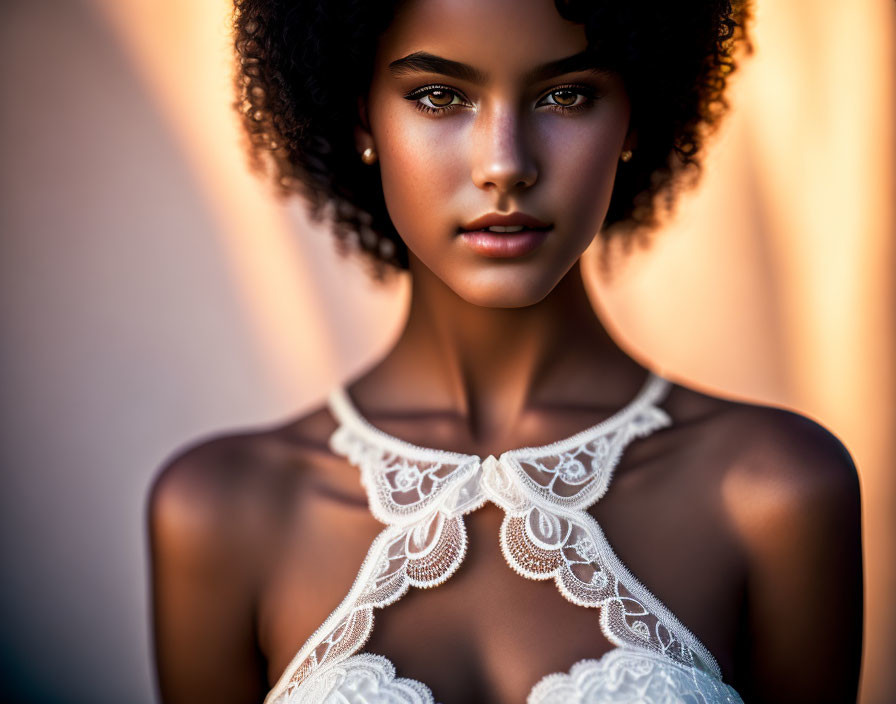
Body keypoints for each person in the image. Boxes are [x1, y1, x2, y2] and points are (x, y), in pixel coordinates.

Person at [148, 1, 864, 702]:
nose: (505, 164)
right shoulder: (218, 512)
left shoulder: (778, 494)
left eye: (566, 95)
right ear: (362, 114)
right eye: (438, 95)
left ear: (635, 117)